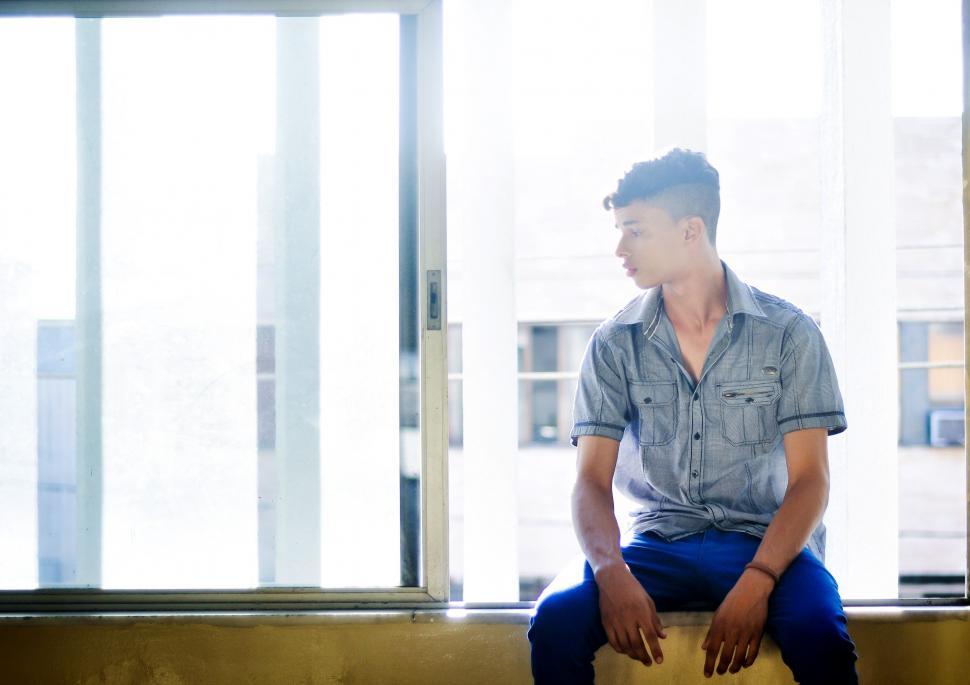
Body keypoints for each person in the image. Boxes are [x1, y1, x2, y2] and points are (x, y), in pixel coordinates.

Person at [527, 148, 860, 684]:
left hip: (764, 543)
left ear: (691, 230)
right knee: (555, 622)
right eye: (618, 229)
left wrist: (759, 579)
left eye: (635, 230)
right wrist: (612, 573)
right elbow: (590, 481)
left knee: (821, 634)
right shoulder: (614, 343)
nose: (619, 248)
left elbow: (811, 482)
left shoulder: (789, 334)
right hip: (656, 544)